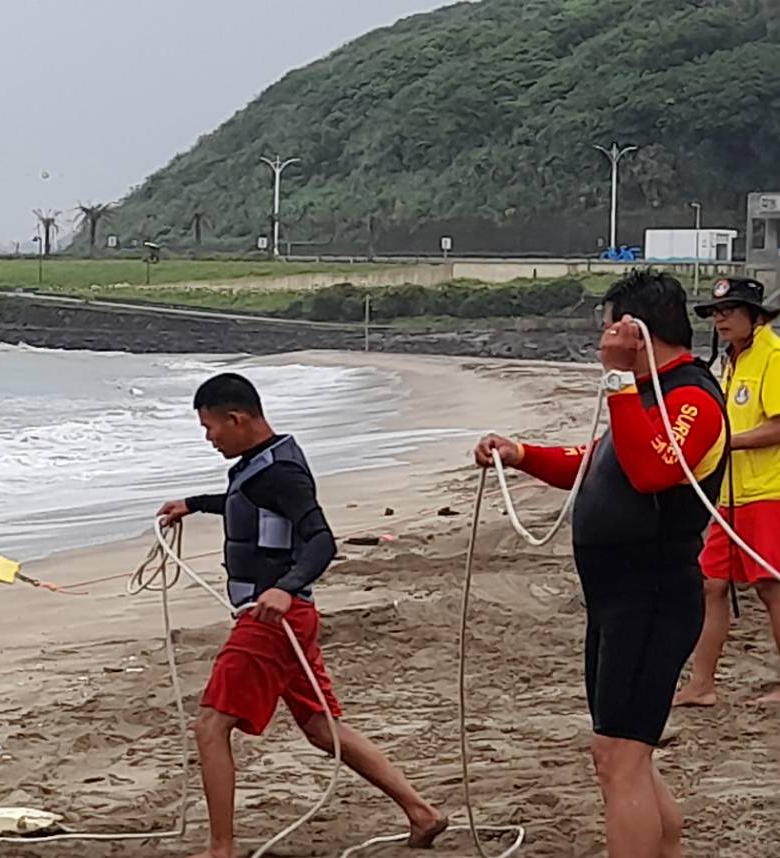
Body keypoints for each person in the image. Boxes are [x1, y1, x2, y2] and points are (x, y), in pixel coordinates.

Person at [473, 269, 725, 858]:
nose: (601, 339)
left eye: (609, 327)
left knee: (622, 757)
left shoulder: (690, 396)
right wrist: (521, 454)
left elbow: (651, 470)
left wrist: (615, 379)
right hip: (616, 599)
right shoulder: (642, 397)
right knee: (620, 752)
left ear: (632, 330)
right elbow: (597, 461)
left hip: (654, 595)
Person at [158, 373, 445, 858]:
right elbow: (248, 504)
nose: (209, 438)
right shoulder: (260, 463)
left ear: (237, 418)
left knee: (210, 726)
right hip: (292, 621)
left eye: (211, 428)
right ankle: (422, 812)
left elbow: (320, 539)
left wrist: (286, 590)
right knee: (319, 728)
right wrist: (195, 504)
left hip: (273, 620)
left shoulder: (282, 472)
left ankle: (220, 850)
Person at [674, 277, 780, 707]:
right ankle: (702, 684)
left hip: (768, 492)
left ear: (755, 316)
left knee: (770, 587)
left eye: (729, 311)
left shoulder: (772, 356)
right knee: (711, 584)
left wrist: (723, 443)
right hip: (730, 498)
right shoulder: (732, 360)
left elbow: (778, 425)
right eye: (716, 312)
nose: (719, 318)